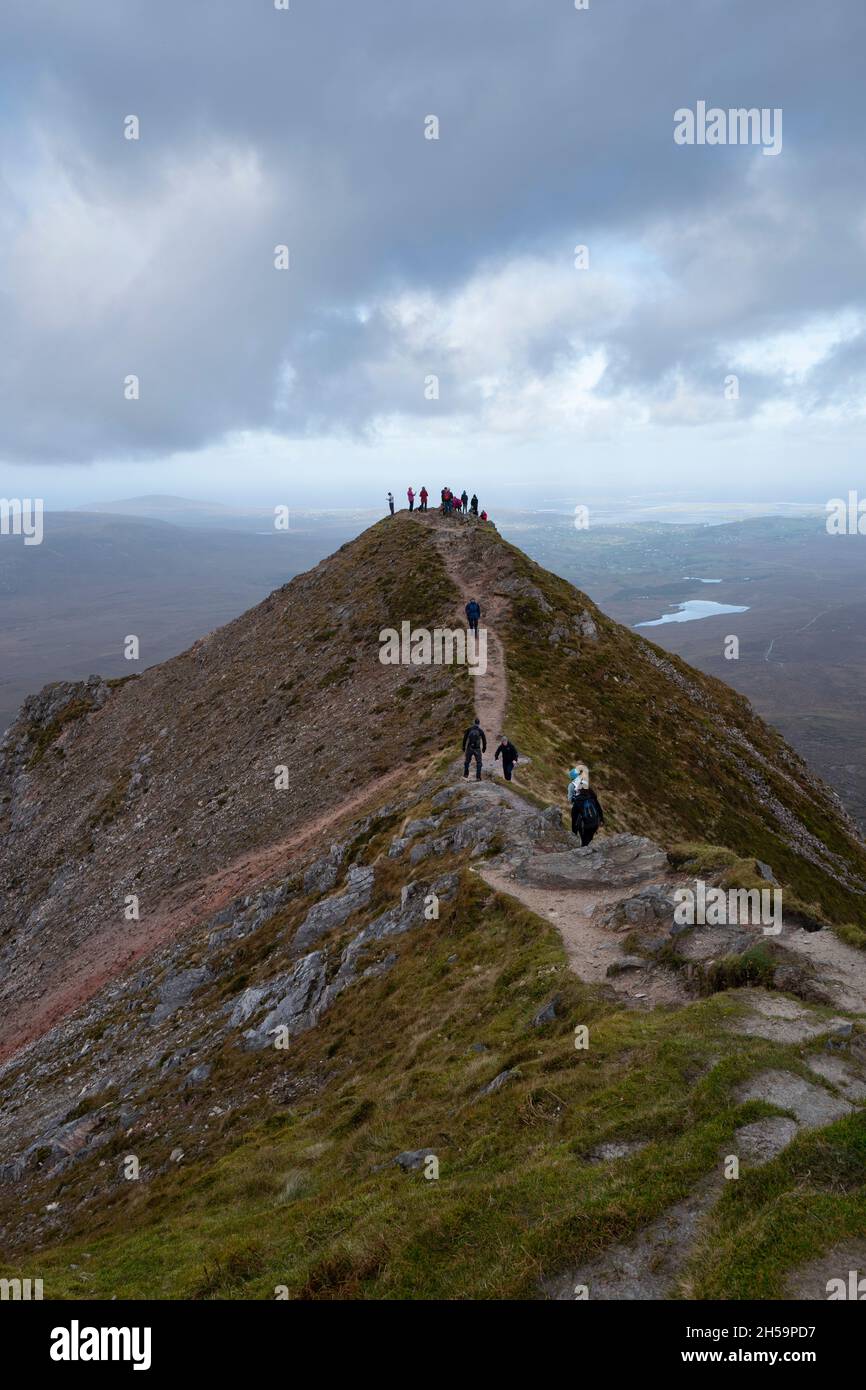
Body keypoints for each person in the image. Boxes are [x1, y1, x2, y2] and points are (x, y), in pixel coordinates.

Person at [568, 774, 604, 846]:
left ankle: (585, 853)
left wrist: (574, 832)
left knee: (584, 842)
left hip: (585, 825)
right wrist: (602, 819)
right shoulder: (591, 795)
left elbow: (574, 818)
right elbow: (598, 807)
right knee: (589, 839)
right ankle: (588, 850)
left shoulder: (578, 800)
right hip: (594, 823)